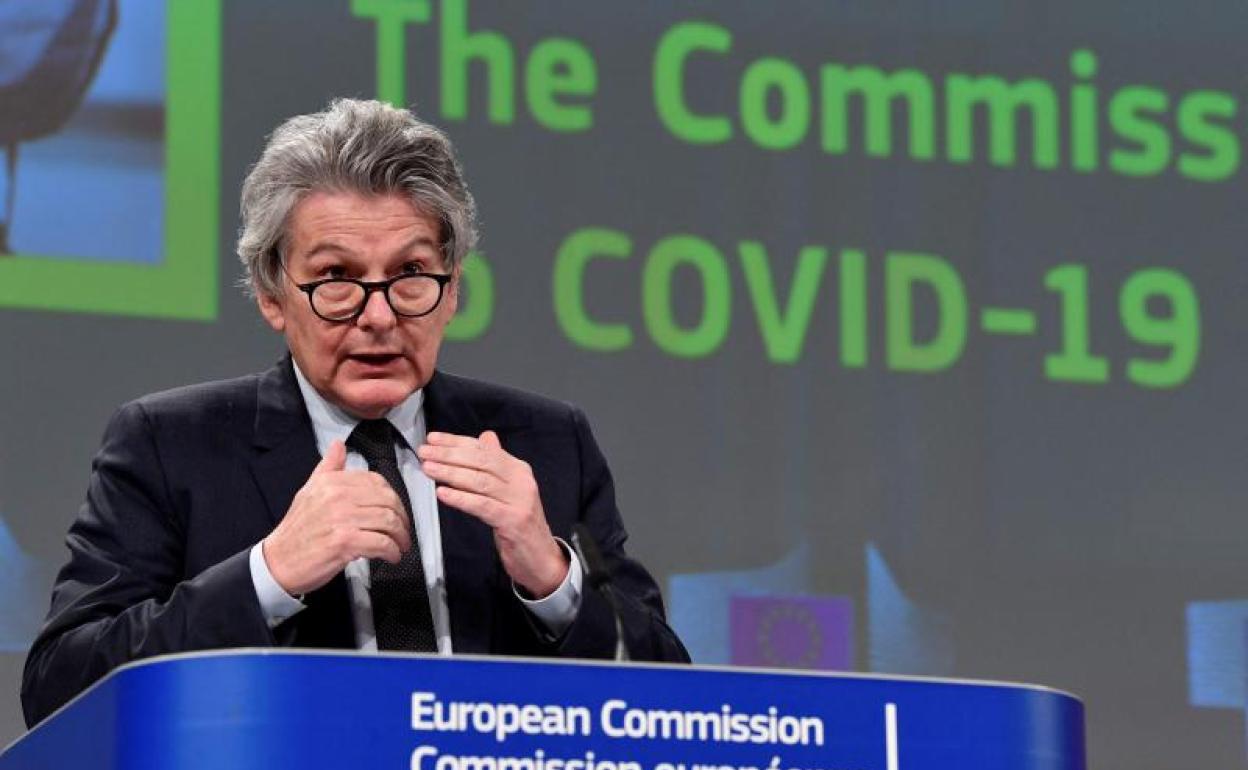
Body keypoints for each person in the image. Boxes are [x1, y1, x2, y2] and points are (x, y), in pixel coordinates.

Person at [20, 98, 688, 726]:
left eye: (411, 275)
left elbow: (677, 704)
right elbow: (60, 688)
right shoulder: (171, 444)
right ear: (272, 294)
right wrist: (269, 573)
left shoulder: (546, 443)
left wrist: (552, 577)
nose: (378, 317)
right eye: (337, 278)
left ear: (452, 289)